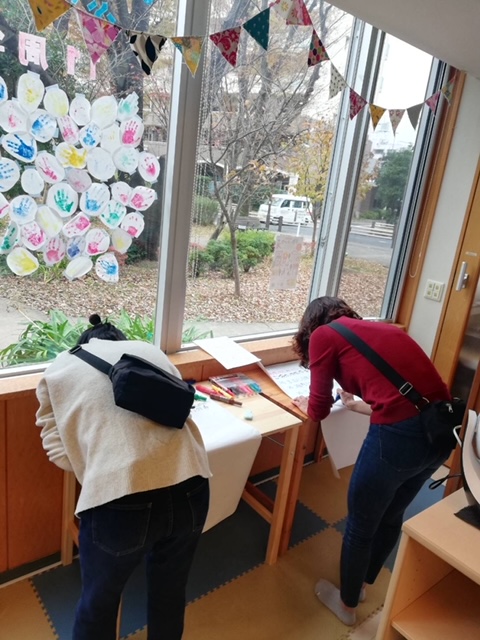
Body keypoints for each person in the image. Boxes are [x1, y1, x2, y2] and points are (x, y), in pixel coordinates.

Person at [35, 313, 211, 640]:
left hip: (119, 498)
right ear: (119, 338)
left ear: (85, 342)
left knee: (98, 605)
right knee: (170, 592)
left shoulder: (59, 367)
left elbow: (55, 446)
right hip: (192, 481)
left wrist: (96, 465)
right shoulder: (149, 350)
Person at [291, 297, 452, 626]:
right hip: (440, 435)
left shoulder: (323, 335)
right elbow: (410, 398)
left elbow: (318, 410)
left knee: (360, 526)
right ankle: (362, 586)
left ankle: (347, 606)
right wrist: (358, 406)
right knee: (391, 517)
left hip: (399, 440)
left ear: (310, 325)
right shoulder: (382, 330)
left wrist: (305, 402)